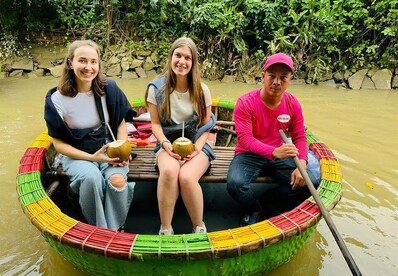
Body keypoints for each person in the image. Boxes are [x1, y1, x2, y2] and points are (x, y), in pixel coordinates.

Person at [44, 40, 136, 231]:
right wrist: (92, 158)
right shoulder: (56, 99)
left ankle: (115, 228)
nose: (89, 67)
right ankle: (100, 231)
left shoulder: (109, 89)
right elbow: (59, 145)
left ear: (99, 64)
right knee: (92, 178)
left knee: (117, 181)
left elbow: (120, 124)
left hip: (108, 147)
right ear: (71, 63)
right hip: (76, 154)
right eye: (82, 61)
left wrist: (122, 150)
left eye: (93, 62)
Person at [226, 53, 320, 226]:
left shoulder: (293, 103)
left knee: (311, 181)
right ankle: (255, 207)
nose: (277, 82)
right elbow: (245, 139)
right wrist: (272, 151)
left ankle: (271, 203)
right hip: (249, 154)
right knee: (235, 184)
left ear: (290, 79)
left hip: (281, 154)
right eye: (272, 76)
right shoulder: (245, 103)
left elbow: (299, 136)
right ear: (263, 77)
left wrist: (302, 163)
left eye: (283, 77)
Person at [145, 37, 215, 235]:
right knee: (168, 172)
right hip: (167, 142)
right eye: (178, 55)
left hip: (197, 141)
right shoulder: (156, 88)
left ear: (193, 63)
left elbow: (206, 124)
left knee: (186, 177)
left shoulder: (201, 90)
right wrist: (165, 144)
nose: (182, 62)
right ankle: (166, 228)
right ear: (171, 57)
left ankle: (199, 227)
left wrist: (198, 148)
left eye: (187, 57)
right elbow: (156, 124)